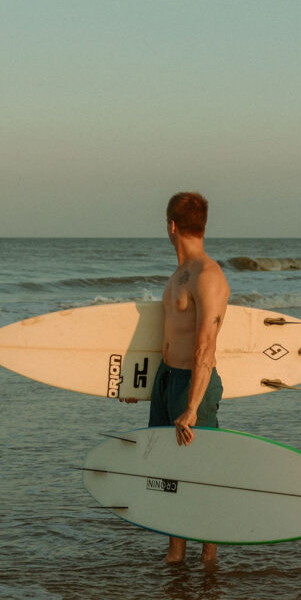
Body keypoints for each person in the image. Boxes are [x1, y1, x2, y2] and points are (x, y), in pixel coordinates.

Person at [127, 191, 230, 565]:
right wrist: (136, 385)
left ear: (171, 226)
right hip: (167, 379)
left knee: (199, 477)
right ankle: (175, 557)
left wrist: (191, 407)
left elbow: (206, 348)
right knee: (168, 474)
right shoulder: (178, 276)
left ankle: (208, 563)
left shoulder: (208, 276)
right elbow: (167, 338)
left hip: (193, 385)